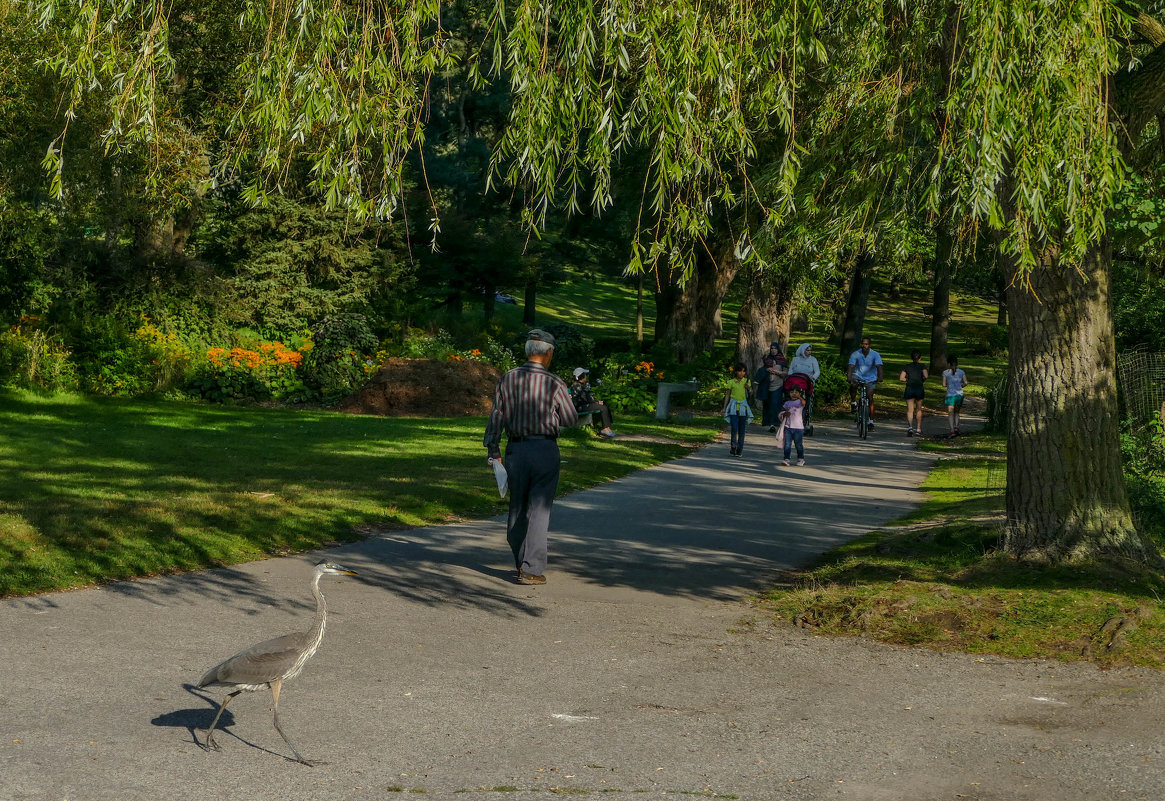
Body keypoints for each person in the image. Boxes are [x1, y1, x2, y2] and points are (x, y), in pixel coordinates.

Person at [484, 329, 579, 585]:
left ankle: (520, 560)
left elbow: (497, 417)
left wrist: (493, 450)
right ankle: (532, 568)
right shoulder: (554, 383)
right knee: (540, 508)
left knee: (518, 506)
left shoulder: (508, 379)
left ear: (528, 351)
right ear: (548, 353)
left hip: (516, 449)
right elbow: (570, 419)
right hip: (545, 449)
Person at [847, 336, 884, 430]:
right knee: (853, 385)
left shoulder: (875, 354)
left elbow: (879, 367)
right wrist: (849, 377)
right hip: (858, 375)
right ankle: (853, 402)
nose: (864, 346)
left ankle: (871, 421)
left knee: (870, 397)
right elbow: (851, 366)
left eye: (866, 344)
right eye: (863, 344)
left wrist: (880, 378)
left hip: (871, 378)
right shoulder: (855, 354)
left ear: (869, 345)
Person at [569, 367, 615, 438]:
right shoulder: (577, 386)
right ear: (582, 376)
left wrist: (597, 401)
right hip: (580, 407)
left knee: (604, 405)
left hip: (585, 405)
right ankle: (605, 429)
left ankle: (607, 428)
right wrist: (596, 402)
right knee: (603, 407)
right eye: (585, 375)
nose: (586, 376)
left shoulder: (580, 386)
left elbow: (588, 397)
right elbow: (584, 399)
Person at [722, 362, 754, 457]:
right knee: (734, 428)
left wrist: (748, 388)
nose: (741, 373)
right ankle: (733, 445)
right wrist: (724, 407)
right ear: (736, 371)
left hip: (743, 408)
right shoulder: (731, 382)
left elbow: (751, 393)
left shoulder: (746, 381)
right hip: (733, 407)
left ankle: (740, 448)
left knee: (742, 429)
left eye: (744, 371)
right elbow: (728, 394)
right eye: (740, 371)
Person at [899, 349, 929, 437]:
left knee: (910, 410)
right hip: (919, 388)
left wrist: (907, 379)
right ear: (920, 358)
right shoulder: (922, 366)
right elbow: (926, 376)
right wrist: (921, 379)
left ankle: (910, 428)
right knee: (919, 409)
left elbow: (901, 378)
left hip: (909, 388)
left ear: (911, 357)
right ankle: (918, 429)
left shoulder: (907, 366)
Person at [761, 342, 788, 431]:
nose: (773, 350)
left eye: (775, 348)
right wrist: (767, 369)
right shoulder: (768, 359)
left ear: (778, 349)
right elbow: (763, 369)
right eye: (771, 348)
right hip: (767, 385)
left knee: (775, 404)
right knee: (768, 404)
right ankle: (768, 422)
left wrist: (777, 372)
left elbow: (786, 373)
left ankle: (774, 423)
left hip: (778, 385)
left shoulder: (782, 360)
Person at [779, 386, 807, 467]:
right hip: (788, 427)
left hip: (798, 428)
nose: (794, 394)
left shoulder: (800, 402)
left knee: (798, 444)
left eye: (796, 392)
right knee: (787, 444)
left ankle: (801, 458)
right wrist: (784, 413)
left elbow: (804, 403)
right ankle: (786, 459)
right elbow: (782, 411)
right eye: (792, 392)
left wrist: (800, 398)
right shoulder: (787, 403)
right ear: (789, 393)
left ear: (800, 394)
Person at [942, 355, 968, 437]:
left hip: (950, 395)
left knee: (950, 413)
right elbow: (966, 382)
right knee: (957, 412)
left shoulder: (945, 373)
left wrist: (949, 386)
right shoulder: (961, 372)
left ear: (948, 364)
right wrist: (961, 386)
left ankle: (952, 431)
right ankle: (957, 427)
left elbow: (943, 384)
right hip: (959, 394)